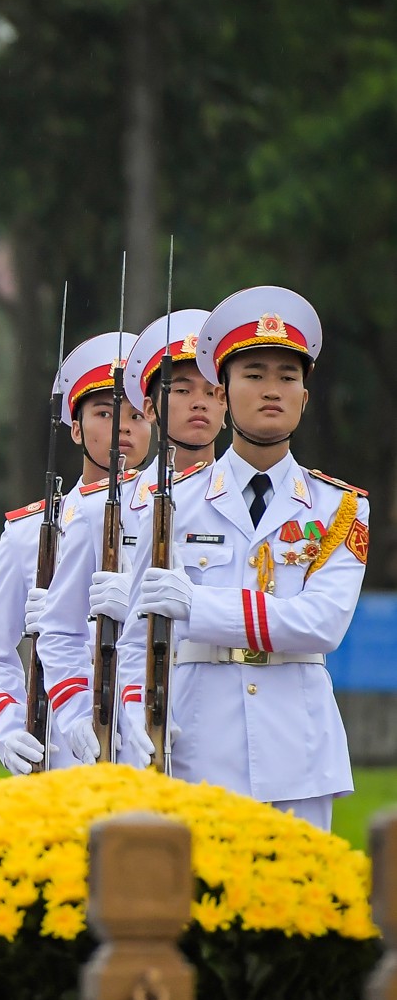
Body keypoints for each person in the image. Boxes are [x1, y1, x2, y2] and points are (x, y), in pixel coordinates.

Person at [118, 288, 362, 827]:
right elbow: (136, 639)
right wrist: (133, 713)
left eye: (287, 376)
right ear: (225, 391)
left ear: (305, 396)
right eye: (253, 374)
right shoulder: (169, 503)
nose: (271, 390)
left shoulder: (341, 507)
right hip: (196, 743)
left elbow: (321, 624)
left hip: (297, 752)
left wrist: (197, 607)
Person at [84, 309, 222, 761]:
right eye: (181, 390)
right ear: (151, 407)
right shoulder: (107, 505)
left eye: (211, 391)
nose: (197, 403)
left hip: (221, 714)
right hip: (130, 721)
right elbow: (65, 633)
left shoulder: (250, 503)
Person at [30, 331, 153, 766]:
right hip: (68, 734)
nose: (123, 426)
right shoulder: (31, 529)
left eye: (138, 415)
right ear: (76, 430)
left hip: (149, 723)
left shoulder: (172, 510)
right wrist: (10, 730)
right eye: (106, 412)